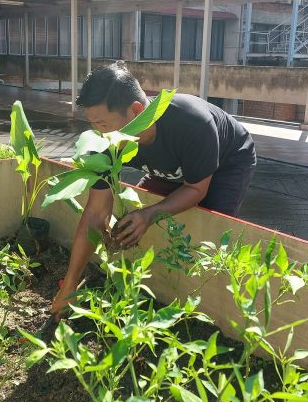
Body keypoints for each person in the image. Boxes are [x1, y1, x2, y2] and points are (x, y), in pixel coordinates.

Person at [51, 62, 257, 316]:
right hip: (171, 169)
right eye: (93, 124)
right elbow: (95, 212)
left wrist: (150, 214)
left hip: (227, 163)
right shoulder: (105, 140)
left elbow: (196, 188)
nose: (99, 133)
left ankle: (206, 309)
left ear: (136, 112)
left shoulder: (192, 124)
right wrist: (70, 283)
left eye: (103, 124)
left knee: (208, 233)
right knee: (142, 218)